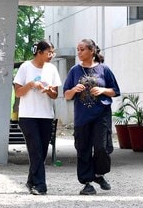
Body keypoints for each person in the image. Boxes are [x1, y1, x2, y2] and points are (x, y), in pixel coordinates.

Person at [63, 38, 121, 195]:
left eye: (82, 49)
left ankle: (99, 174)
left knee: (102, 147)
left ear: (92, 51)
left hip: (101, 115)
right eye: (78, 49)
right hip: (82, 116)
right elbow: (67, 95)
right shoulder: (74, 70)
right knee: (83, 149)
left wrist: (103, 91)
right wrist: (74, 89)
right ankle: (87, 183)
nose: (79, 52)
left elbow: (115, 90)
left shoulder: (104, 69)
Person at [13, 40, 61, 195]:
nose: (51, 55)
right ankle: (40, 185)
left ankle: (31, 181)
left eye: (52, 52)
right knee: (36, 150)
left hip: (46, 115)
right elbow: (18, 92)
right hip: (28, 116)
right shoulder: (25, 67)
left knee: (42, 150)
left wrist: (48, 90)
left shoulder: (52, 69)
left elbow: (55, 95)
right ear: (39, 52)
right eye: (49, 52)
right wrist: (32, 84)